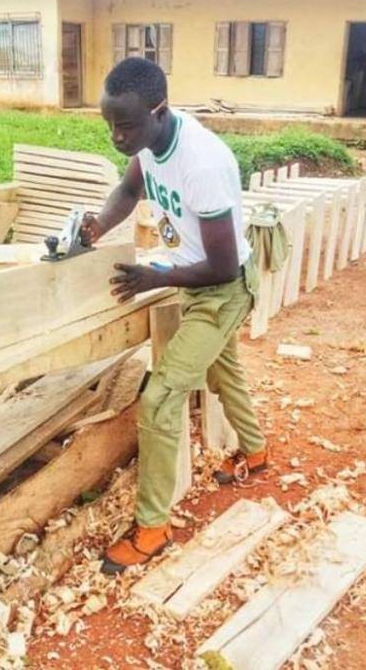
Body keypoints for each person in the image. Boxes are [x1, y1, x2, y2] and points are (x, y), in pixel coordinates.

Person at [81, 57, 266, 575]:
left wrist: (156, 277)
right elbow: (128, 189)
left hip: (224, 289)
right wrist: (98, 224)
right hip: (196, 280)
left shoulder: (200, 163)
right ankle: (255, 452)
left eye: (127, 126)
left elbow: (224, 265)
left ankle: (152, 529)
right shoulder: (148, 144)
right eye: (110, 125)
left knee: (160, 398)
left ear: (159, 111)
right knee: (223, 370)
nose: (118, 136)